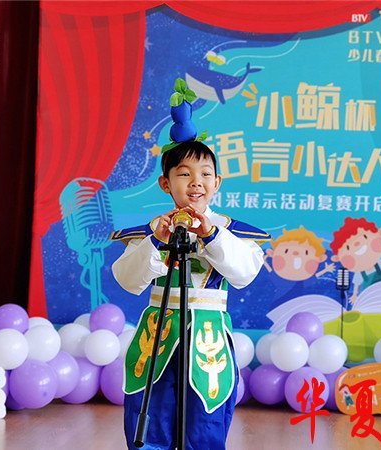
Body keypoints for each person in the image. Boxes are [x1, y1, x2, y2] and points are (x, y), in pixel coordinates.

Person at [110, 139, 270, 450]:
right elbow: (127, 279)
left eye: (205, 174)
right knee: (150, 411)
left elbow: (244, 274)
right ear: (165, 183)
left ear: (217, 182)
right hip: (158, 333)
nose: (196, 182)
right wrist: (156, 241)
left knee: (205, 418)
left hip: (208, 338)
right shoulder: (152, 230)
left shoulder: (232, 232)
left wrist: (211, 235)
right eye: (184, 174)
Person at [329, 217, 381, 304]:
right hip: (371, 296)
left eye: (365, 237)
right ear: (338, 258)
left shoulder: (379, 264)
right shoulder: (359, 273)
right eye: (348, 247)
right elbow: (356, 284)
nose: (357, 244)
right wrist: (354, 295)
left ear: (379, 233)